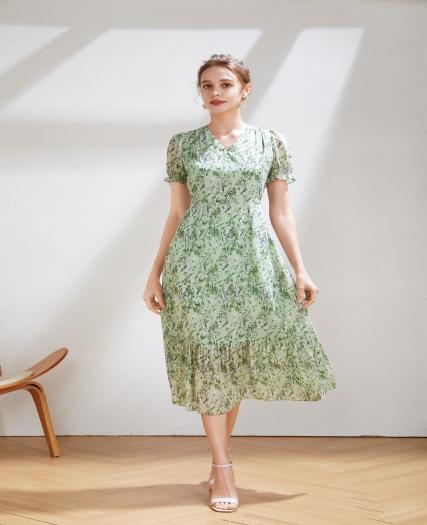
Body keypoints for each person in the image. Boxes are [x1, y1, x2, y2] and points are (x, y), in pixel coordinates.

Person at [143, 53, 336, 513]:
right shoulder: (183, 145)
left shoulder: (271, 143)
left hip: (252, 263)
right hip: (195, 266)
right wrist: (154, 273)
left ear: (244, 90)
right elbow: (177, 213)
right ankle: (223, 468)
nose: (215, 93)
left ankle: (220, 457)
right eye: (207, 85)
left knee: (231, 362)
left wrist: (300, 269)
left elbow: (281, 213)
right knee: (210, 359)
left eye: (225, 84)